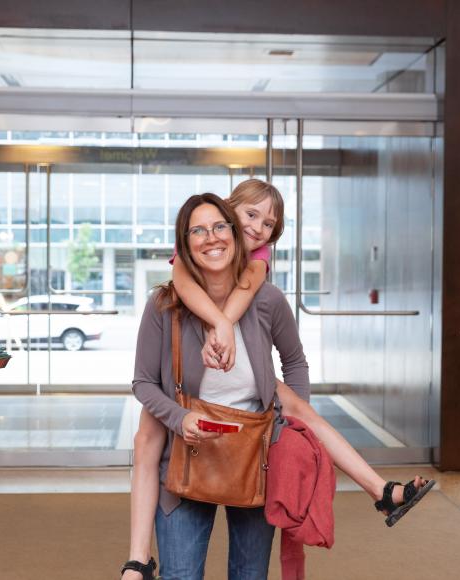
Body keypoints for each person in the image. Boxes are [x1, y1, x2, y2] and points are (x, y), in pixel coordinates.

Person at [122, 182, 433, 580]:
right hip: (188, 449)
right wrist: (180, 414)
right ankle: (137, 559)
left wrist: (290, 429)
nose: (255, 228)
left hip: (255, 452)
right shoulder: (167, 301)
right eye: (249, 216)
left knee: (251, 571)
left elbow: (295, 360)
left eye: (267, 223)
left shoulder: (264, 292)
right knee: (150, 450)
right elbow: (145, 379)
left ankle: (381, 490)